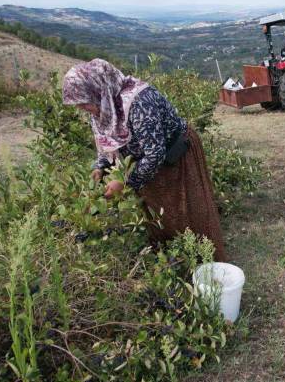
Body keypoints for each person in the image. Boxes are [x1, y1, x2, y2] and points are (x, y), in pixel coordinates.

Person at [62, 59, 226, 261]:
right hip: (145, 164)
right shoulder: (103, 106)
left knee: (189, 209)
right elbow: (105, 140)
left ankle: (206, 262)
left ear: (98, 91)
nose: (82, 108)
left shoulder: (139, 102)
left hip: (176, 156)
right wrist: (100, 166)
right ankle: (174, 260)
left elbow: (154, 153)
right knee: (160, 213)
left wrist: (124, 182)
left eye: (83, 102)